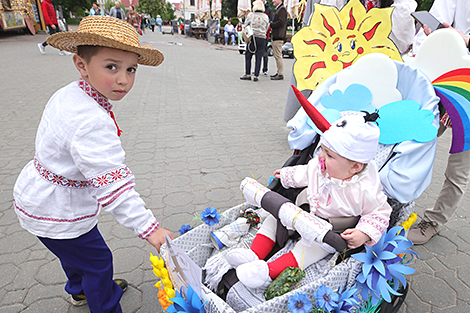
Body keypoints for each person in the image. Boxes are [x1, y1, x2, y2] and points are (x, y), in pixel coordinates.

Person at [14, 16, 173, 312]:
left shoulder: (71, 93)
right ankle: (105, 305)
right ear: (81, 65)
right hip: (58, 209)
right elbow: (114, 186)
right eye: (111, 67)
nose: (124, 79)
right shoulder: (91, 121)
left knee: (74, 254)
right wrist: (152, 230)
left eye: (131, 69)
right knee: (99, 263)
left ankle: (79, 289)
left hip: (40, 199)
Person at [228, 113, 392, 289]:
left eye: (329, 154)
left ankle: (266, 272)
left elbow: (379, 212)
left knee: (308, 252)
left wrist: (363, 233)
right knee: (272, 219)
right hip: (301, 213)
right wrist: (286, 175)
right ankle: (253, 254)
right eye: (321, 149)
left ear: (355, 167)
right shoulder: (318, 166)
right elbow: (305, 173)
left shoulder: (365, 189)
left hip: (326, 230)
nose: (321, 156)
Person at [408, 0, 470, 245]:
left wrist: (463, 40)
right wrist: (435, 37)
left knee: (458, 168)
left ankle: (433, 222)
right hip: (445, 84)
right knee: (414, 142)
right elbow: (429, 30)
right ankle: (386, 202)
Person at [239, 0, 269, 82]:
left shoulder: (251, 15)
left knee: (248, 55)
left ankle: (248, 74)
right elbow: (267, 28)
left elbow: (245, 25)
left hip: (253, 37)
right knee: (258, 57)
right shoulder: (266, 16)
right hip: (262, 38)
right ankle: (256, 75)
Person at [270, 0, 287, 80]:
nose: (273, 1)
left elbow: (281, 22)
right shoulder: (279, 9)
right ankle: (279, 71)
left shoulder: (282, 9)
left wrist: (272, 24)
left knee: (278, 55)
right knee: (277, 55)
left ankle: (280, 73)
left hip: (278, 36)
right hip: (277, 35)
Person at [262, 0, 274, 76]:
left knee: (265, 52)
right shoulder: (256, 7)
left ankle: (265, 69)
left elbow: (271, 20)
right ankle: (257, 68)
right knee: (258, 53)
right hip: (258, 33)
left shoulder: (268, 9)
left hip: (266, 34)